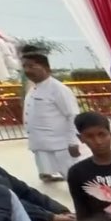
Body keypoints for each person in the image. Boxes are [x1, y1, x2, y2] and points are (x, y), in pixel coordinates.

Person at [0, 123, 73, 221]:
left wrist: (61, 210)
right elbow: (5, 204)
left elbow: (25, 191)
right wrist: (49, 217)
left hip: (30, 219)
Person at [21, 53, 80, 183]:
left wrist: (73, 141)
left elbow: (72, 115)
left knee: (74, 177)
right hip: (41, 142)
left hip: (60, 145)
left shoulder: (58, 89)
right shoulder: (33, 88)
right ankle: (48, 176)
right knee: (46, 170)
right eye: (24, 66)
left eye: (31, 66)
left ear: (47, 68)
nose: (27, 70)